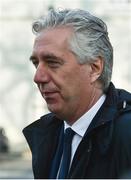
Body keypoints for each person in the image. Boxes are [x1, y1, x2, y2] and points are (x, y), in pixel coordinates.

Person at [23, 8, 131, 179]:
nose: (38, 77)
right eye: (36, 63)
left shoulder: (125, 136)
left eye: (52, 63)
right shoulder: (48, 134)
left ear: (94, 68)